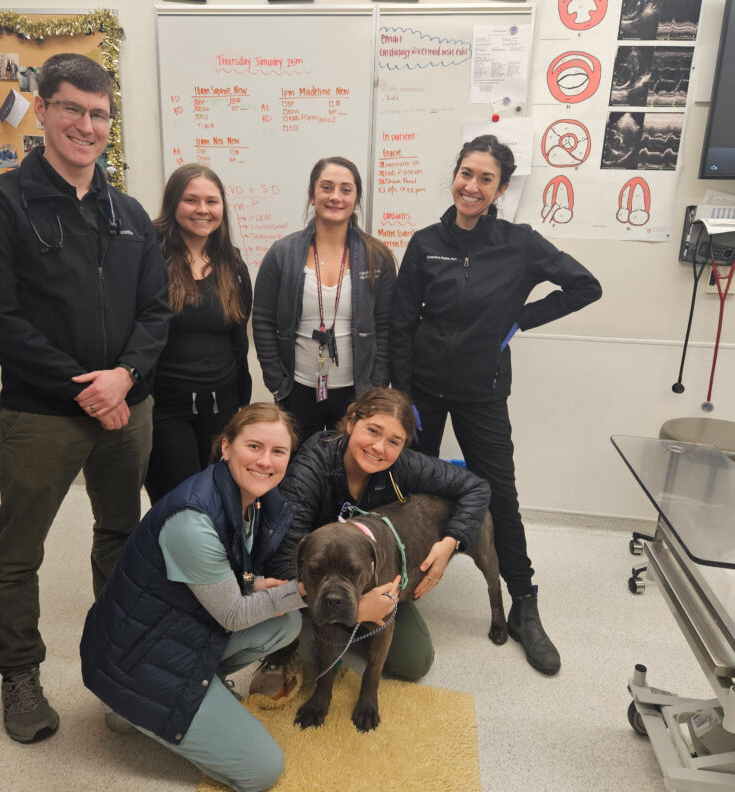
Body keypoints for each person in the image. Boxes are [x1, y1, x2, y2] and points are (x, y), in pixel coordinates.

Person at [0, 52, 171, 743]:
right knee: (19, 552)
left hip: (125, 409)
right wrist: (87, 390)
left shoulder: (132, 214)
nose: (87, 124)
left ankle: (116, 665)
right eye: (73, 109)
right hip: (39, 414)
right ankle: (19, 673)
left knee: (121, 534)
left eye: (99, 113)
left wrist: (124, 380)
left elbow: (155, 313)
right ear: (44, 111)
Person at [80, 403, 396, 792]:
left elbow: (234, 577)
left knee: (284, 622)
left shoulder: (256, 499)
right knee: (262, 771)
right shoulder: (192, 521)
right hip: (137, 657)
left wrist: (259, 584)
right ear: (226, 446)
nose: (266, 461)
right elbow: (231, 614)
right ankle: (131, 706)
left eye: (278, 452)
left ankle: (194, 692)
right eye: (254, 447)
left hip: (175, 630)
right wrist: (346, 605)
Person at [389, 134, 602, 676]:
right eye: (466, 174)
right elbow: (400, 323)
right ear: (454, 176)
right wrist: (399, 396)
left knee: (499, 494)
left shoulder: (520, 243)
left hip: (483, 390)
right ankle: (397, 588)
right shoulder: (425, 242)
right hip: (422, 393)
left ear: (501, 188)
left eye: (486, 178)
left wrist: (521, 321)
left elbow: (585, 286)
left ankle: (525, 603)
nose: (472, 186)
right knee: (404, 486)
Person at [251, 386, 491, 696]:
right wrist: (355, 609)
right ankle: (283, 652)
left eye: (394, 442)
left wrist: (451, 541)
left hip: (371, 575)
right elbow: (284, 561)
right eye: (372, 431)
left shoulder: (404, 466)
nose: (379, 448)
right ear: (351, 423)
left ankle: (345, 629)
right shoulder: (313, 465)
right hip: (317, 575)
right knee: (294, 615)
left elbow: (476, 487)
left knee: (415, 661)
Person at [252, 156, 396, 442]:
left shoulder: (376, 257)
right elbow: (263, 321)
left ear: (356, 198)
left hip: (356, 393)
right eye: (326, 187)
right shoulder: (283, 253)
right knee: (300, 471)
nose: (335, 197)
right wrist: (278, 384)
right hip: (298, 389)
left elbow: (387, 327)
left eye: (346, 189)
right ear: (311, 194)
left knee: (349, 471)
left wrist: (374, 390)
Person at [144, 164, 252, 504]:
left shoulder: (231, 265)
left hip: (221, 406)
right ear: (174, 203)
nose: (203, 210)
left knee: (217, 498)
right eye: (191, 200)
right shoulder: (149, 258)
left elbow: (238, 338)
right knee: (178, 502)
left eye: (212, 201)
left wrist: (240, 403)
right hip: (165, 408)